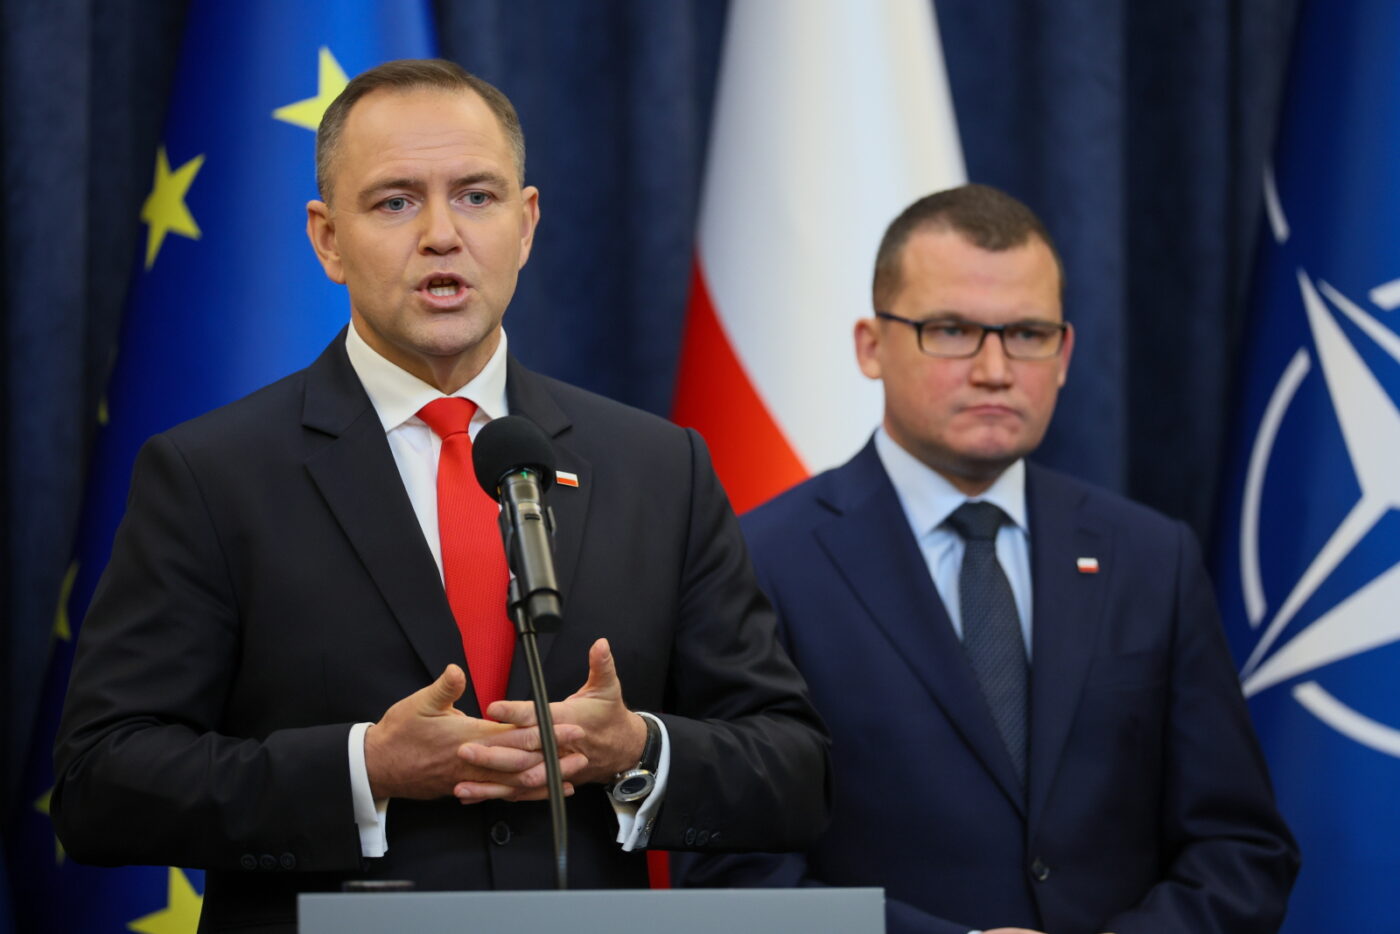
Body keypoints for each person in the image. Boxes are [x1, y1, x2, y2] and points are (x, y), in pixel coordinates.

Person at [52, 59, 830, 933]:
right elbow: (100, 783)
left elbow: (794, 771)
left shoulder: (659, 467)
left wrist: (632, 750)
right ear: (327, 238)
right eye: (394, 201)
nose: (441, 235)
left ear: (526, 224)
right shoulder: (212, 475)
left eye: (476, 196)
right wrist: (365, 767)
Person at [678, 184, 1298, 934]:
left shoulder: (1150, 557)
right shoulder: (762, 560)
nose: (996, 369)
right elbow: (733, 878)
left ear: (1065, 353)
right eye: (951, 330)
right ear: (871, 346)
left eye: (1028, 334)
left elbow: (1239, 847)